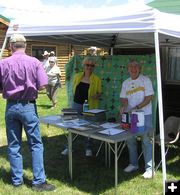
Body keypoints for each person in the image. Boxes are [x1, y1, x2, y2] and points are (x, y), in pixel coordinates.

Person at [0, 34, 55, 191]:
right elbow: (43, 85)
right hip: (28, 106)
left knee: (13, 144)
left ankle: (17, 181)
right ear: (25, 45)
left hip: (11, 106)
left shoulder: (3, 63)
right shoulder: (35, 62)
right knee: (36, 144)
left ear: (11, 46)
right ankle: (38, 181)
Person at [120, 60, 154, 179]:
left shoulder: (146, 80)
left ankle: (149, 169)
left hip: (145, 115)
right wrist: (124, 107)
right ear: (128, 69)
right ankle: (133, 164)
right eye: (131, 67)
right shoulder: (125, 82)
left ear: (139, 69)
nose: (133, 69)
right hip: (130, 115)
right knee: (130, 140)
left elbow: (149, 98)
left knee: (146, 141)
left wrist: (136, 107)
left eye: (136, 67)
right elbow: (123, 98)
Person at [61, 56, 102, 156]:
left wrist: (97, 95)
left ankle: (88, 148)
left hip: (90, 106)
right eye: (87, 65)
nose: (89, 67)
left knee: (89, 127)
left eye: (92, 65)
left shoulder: (97, 79)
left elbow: (100, 93)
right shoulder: (77, 76)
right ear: (83, 66)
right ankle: (69, 147)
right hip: (76, 105)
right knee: (72, 126)